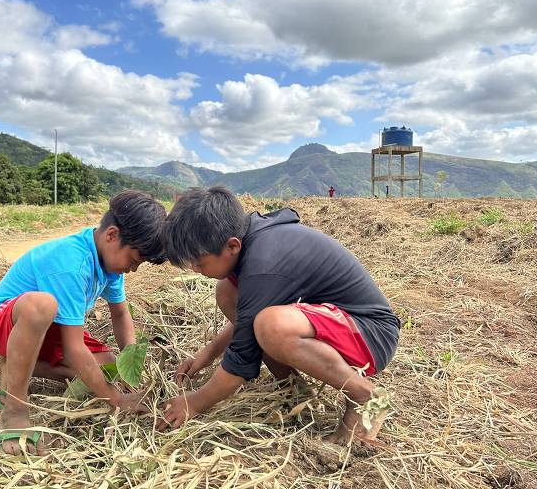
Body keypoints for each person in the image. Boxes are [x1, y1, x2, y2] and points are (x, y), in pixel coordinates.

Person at [158, 186, 399, 445]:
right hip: (336, 323)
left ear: (232, 246)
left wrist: (194, 403)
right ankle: (294, 389)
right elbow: (247, 322)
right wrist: (206, 355)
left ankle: (365, 396)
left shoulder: (264, 264)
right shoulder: (253, 242)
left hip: (370, 334)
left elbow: (242, 358)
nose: (196, 270)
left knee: (272, 326)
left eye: (200, 262)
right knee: (228, 291)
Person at [0, 190, 166, 455]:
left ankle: (16, 367)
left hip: (46, 330)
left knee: (108, 369)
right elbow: (75, 348)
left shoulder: (108, 262)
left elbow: (120, 314)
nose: (133, 269)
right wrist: (117, 400)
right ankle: (15, 409)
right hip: (3, 322)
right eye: (134, 261)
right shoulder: (71, 263)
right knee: (43, 306)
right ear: (112, 235)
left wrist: (130, 366)